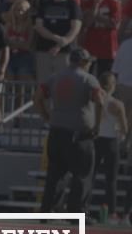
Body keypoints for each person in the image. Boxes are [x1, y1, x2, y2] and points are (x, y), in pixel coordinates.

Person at [35, 48, 104, 218]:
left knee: (55, 174)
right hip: (80, 134)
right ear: (83, 62)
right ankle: (77, 212)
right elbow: (100, 102)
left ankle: (48, 210)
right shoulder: (89, 79)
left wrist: (46, 117)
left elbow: (37, 98)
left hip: (57, 131)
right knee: (82, 174)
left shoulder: (54, 78)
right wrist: (96, 126)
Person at [34, 0, 82, 84]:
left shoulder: (72, 4)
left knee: (64, 85)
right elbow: (39, 26)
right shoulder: (45, 4)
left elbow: (75, 28)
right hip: (44, 50)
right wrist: (56, 38)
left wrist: (60, 44)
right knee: (43, 85)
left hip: (65, 52)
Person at [94, 71, 127, 223]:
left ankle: (81, 207)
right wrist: (121, 135)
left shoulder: (94, 100)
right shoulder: (116, 104)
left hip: (96, 139)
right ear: (112, 85)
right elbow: (124, 128)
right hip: (111, 141)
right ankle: (112, 212)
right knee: (111, 180)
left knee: (89, 176)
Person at [81, 0, 121, 76]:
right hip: (91, 46)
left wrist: (96, 15)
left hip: (107, 47)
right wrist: (95, 6)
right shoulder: (88, 2)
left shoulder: (114, 1)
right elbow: (86, 23)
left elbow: (114, 24)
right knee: (87, 76)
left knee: (105, 78)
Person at [3, 0, 36, 82]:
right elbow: (5, 42)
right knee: (9, 83)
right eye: (17, 10)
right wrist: (18, 44)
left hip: (24, 57)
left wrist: (12, 44)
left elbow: (27, 45)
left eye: (23, 10)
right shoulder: (9, 24)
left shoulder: (30, 27)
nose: (20, 12)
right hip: (9, 56)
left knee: (21, 84)